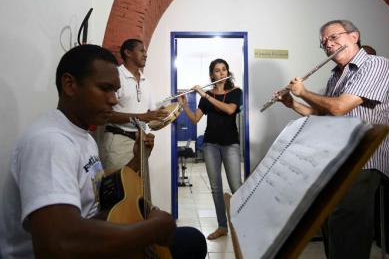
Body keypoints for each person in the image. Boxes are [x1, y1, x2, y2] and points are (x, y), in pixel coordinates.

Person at [0, 44, 207, 258]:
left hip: (92, 234)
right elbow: (59, 244)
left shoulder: (84, 137)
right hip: (79, 248)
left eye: (115, 90)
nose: (114, 99)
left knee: (192, 240)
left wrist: (136, 161)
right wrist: (150, 230)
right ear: (69, 85)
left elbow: (98, 194)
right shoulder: (50, 142)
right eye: (104, 88)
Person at [276, 20, 389, 258]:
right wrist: (293, 103)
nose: (329, 45)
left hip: (364, 160)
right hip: (337, 160)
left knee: (346, 223)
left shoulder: (375, 64)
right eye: (324, 43)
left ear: (354, 36)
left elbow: (340, 107)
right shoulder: (335, 76)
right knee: (330, 221)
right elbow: (323, 113)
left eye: (333, 38)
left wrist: (305, 92)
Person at [178, 58, 243, 240]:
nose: (221, 73)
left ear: (227, 73)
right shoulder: (207, 95)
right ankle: (222, 226)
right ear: (211, 74)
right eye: (217, 70)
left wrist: (205, 96)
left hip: (230, 144)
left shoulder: (235, 92)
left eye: (224, 70)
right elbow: (195, 119)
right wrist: (184, 106)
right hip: (210, 145)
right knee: (216, 188)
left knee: (236, 186)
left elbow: (230, 110)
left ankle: (242, 225)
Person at [99, 38, 168, 170]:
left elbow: (149, 114)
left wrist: (162, 114)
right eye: (141, 51)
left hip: (140, 142)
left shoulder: (145, 81)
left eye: (146, 51)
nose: (145, 54)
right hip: (118, 142)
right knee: (120, 188)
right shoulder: (116, 75)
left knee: (137, 189)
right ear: (128, 53)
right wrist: (143, 117)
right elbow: (106, 115)